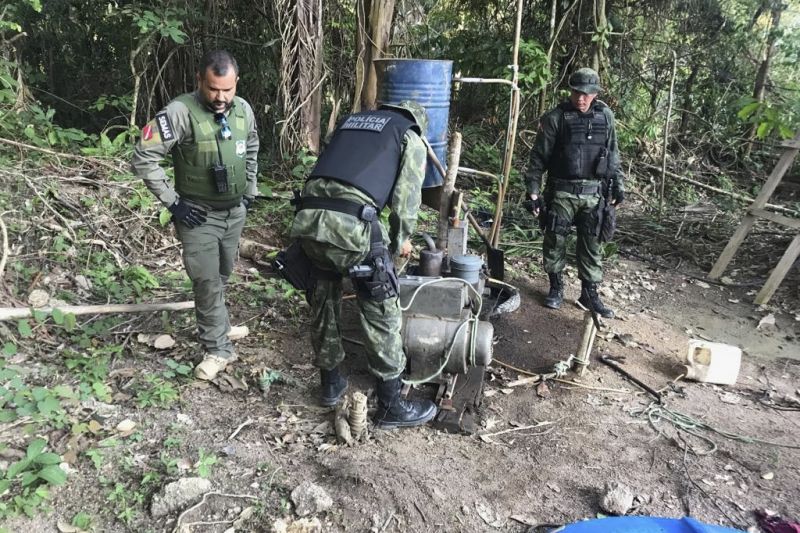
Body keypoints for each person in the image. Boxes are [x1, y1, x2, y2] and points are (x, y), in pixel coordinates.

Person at [288, 100, 437, 429]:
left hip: (308, 219)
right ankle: (391, 405)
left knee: (323, 299)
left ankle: (330, 385)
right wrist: (400, 244)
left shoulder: (352, 124)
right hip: (353, 226)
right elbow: (406, 202)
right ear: (418, 122)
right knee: (382, 310)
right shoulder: (408, 136)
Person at [131, 50, 259, 380]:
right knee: (205, 280)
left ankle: (221, 325)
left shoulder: (243, 110)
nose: (220, 97)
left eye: (227, 90)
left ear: (236, 83)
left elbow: (253, 147)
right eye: (213, 89)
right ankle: (217, 349)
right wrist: (174, 203)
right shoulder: (178, 113)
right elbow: (143, 158)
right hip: (197, 215)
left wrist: (249, 193)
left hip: (234, 212)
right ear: (200, 80)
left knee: (223, 273)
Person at [523, 67, 624, 318]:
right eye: (577, 92)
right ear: (570, 90)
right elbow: (538, 158)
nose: (581, 98)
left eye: (587, 94)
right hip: (561, 192)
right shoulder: (556, 118)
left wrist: (618, 185)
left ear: (596, 94)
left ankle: (589, 294)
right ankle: (556, 287)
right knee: (555, 239)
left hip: (594, 193)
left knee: (592, 244)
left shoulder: (605, 116)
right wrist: (533, 192)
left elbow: (612, 154)